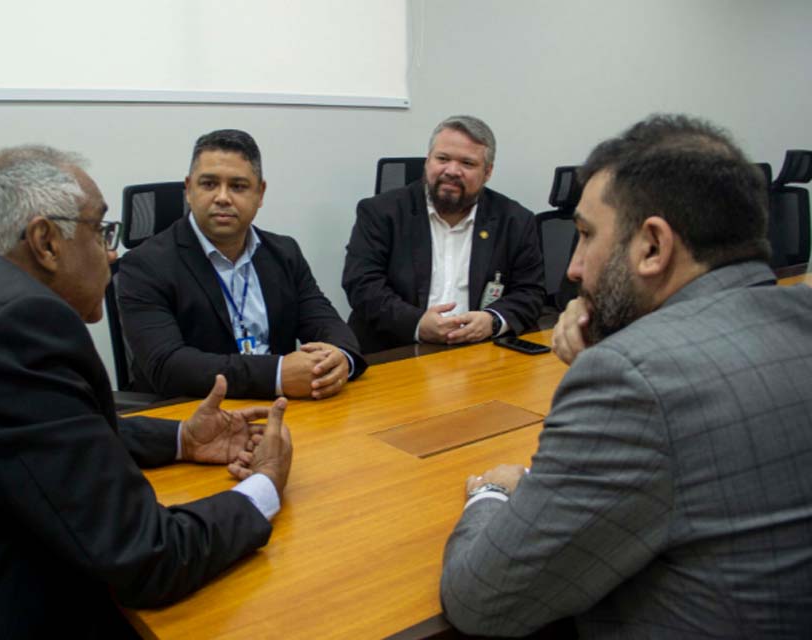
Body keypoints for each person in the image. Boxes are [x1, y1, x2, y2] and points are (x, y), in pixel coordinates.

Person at [0, 146, 293, 639]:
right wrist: (265, 488)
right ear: (45, 242)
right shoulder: (15, 326)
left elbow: (39, 436)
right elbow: (148, 557)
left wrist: (181, 441)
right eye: (102, 230)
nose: (113, 252)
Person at [441, 115, 812, 637]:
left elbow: (480, 602)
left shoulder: (628, 381)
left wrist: (494, 495)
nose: (572, 269)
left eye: (586, 236)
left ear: (653, 247)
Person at [118, 129, 367, 400]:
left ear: (260, 194)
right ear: (189, 190)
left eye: (238, 186)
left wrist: (339, 357)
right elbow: (168, 366)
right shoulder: (144, 265)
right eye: (209, 184)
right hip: (193, 417)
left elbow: (326, 322)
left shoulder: (284, 252)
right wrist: (277, 375)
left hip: (285, 409)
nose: (223, 197)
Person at [342, 115, 545, 353]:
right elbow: (362, 285)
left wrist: (493, 321)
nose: (452, 171)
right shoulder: (380, 212)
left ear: (488, 172)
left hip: (479, 352)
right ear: (428, 161)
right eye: (442, 159)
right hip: (396, 349)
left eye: (467, 164)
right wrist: (416, 323)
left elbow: (530, 291)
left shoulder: (515, 220)